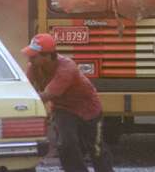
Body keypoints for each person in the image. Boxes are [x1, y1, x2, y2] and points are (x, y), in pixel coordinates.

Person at [22, 33, 114, 172]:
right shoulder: (33, 67)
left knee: (96, 149)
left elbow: (47, 95)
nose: (30, 58)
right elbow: (26, 89)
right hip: (63, 108)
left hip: (89, 109)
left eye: (34, 56)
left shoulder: (66, 68)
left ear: (48, 56)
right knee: (66, 144)